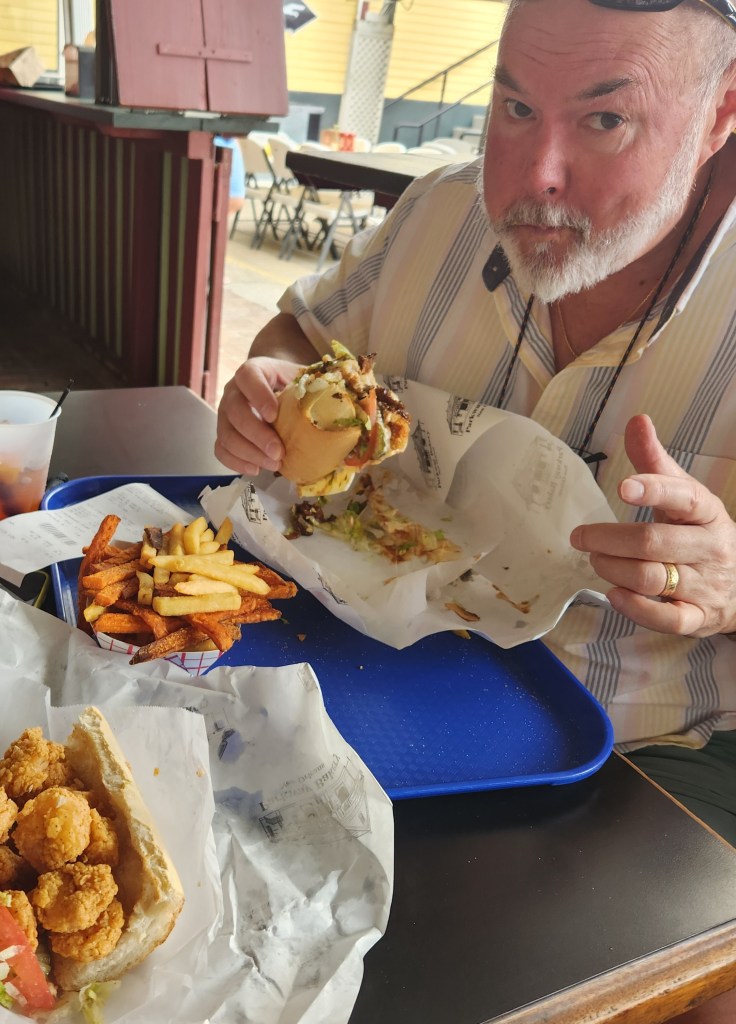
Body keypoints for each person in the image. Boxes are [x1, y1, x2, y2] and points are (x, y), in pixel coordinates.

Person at [219, 0, 736, 996]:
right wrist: (267, 389)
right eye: (513, 107)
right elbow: (297, 339)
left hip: (644, 759)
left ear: (720, 113)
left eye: (604, 119)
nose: (535, 177)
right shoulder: (438, 214)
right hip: (364, 675)